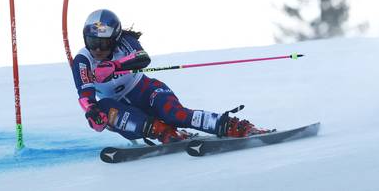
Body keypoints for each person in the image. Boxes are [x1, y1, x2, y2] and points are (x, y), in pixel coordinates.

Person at [71, 9, 271, 144]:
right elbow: (86, 96)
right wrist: (93, 114)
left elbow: (142, 58)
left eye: (103, 44)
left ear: (114, 39)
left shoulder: (126, 40)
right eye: (91, 41)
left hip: (145, 90)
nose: (97, 49)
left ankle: (235, 127)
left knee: (176, 114)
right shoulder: (83, 59)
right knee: (105, 106)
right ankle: (165, 133)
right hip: (121, 110)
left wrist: (114, 65)